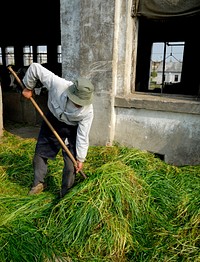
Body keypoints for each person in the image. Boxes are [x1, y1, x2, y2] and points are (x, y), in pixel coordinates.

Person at [22, 62, 94, 197]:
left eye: (82, 103)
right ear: (71, 93)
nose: (79, 105)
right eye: (76, 101)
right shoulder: (58, 84)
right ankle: (38, 183)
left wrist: (81, 158)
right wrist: (28, 87)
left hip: (72, 129)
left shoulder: (88, 112)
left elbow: (83, 135)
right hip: (52, 121)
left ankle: (66, 192)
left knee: (71, 164)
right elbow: (35, 68)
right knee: (40, 154)